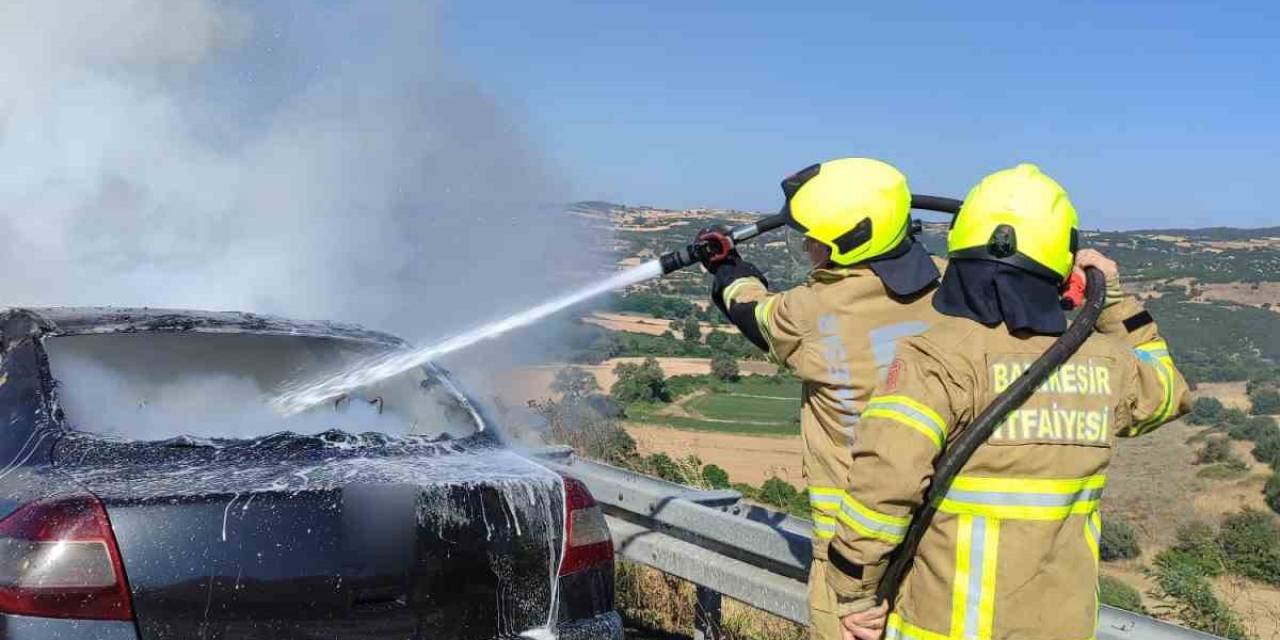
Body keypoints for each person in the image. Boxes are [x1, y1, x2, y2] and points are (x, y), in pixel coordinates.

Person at [825, 163, 1191, 640]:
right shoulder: (1104, 361)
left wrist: (855, 592)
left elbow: (881, 490)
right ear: (1059, 264)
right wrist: (1115, 300)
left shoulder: (935, 357)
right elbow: (1167, 394)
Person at [701, 157, 945, 640]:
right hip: (943, 538)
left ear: (847, 244)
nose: (809, 247)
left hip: (852, 555)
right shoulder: (955, 286)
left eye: (814, 239)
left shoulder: (815, 309)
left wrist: (726, 264)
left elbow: (749, 310)